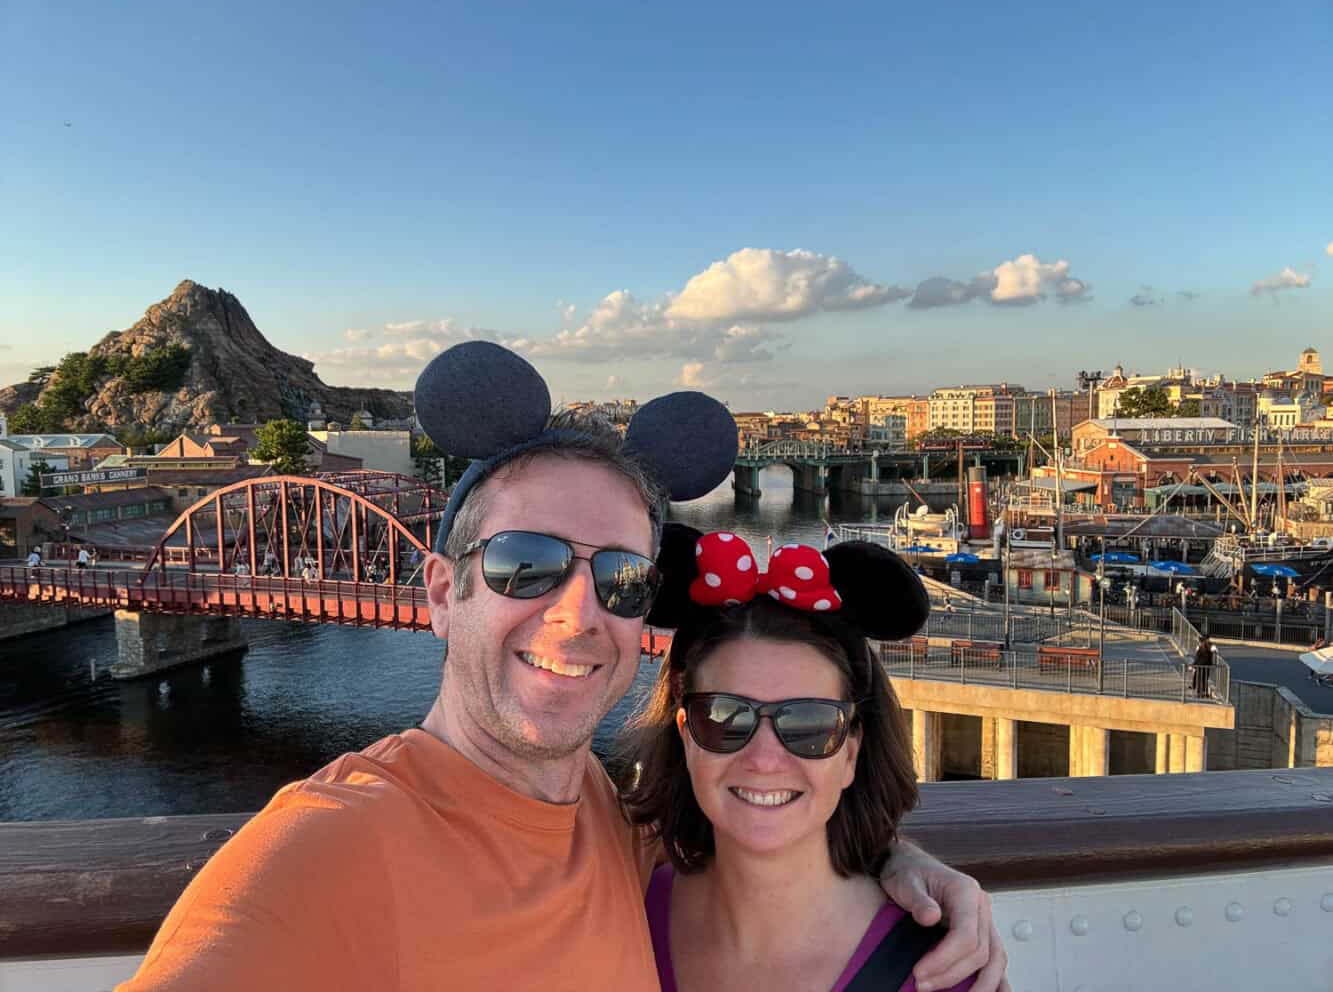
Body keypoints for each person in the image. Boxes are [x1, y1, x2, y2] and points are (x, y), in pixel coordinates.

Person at [118, 343, 1004, 991]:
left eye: (620, 579)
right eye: (523, 564)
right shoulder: (328, 851)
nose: (578, 613)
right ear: (439, 590)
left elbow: (768, 805)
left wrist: (897, 860)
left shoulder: (616, 827)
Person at [623, 528, 979, 991]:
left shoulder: (940, 974)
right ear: (687, 736)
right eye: (726, 718)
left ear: (851, 752)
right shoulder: (624, 917)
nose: (765, 758)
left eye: (808, 725)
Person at [1192, 634, 1219, 699]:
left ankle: (1200, 693)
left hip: (1200, 665)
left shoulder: (1202, 646)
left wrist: (1193, 665)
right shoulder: (1209, 645)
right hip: (1206, 665)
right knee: (1204, 679)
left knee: (1200, 679)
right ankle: (1203, 692)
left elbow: (1197, 658)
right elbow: (1215, 650)